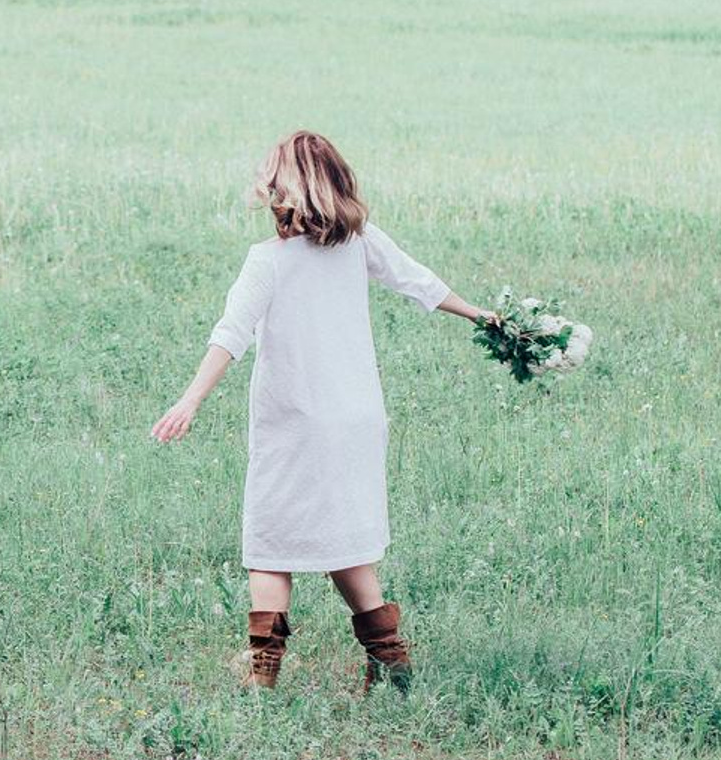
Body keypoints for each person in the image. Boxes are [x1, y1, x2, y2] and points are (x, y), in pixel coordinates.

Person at [150, 129, 494, 692]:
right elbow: (420, 283)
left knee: (270, 545)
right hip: (357, 420)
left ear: (281, 194)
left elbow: (231, 333)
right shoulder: (360, 244)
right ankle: (391, 662)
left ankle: (263, 671)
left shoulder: (267, 261)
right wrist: (484, 316)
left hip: (295, 422)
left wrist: (190, 399)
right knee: (344, 541)